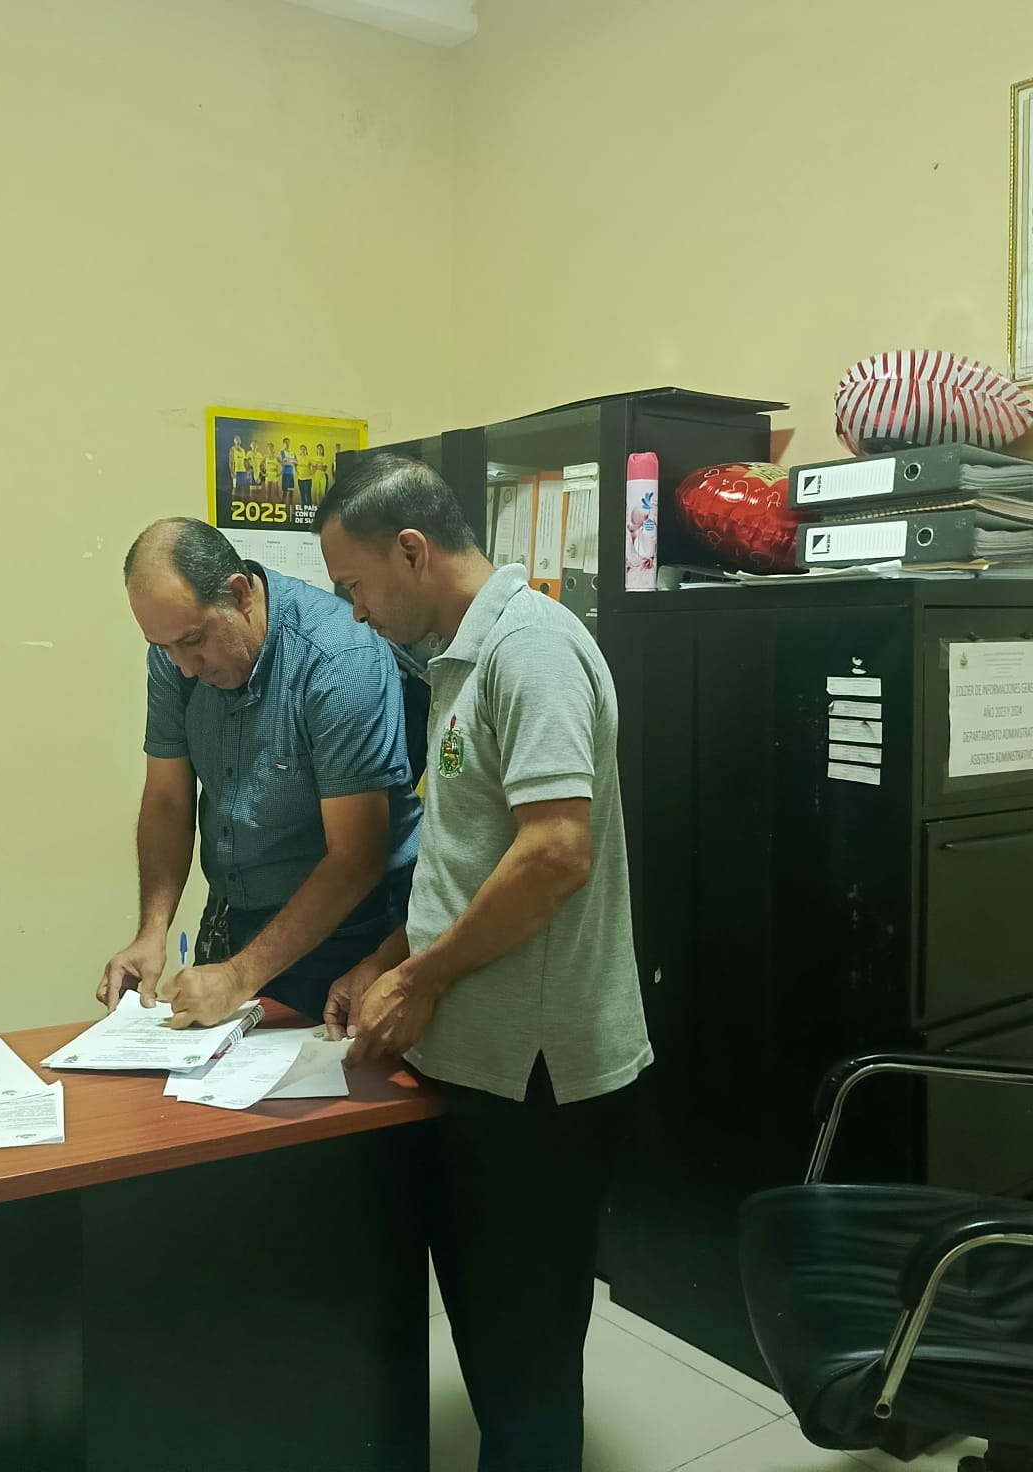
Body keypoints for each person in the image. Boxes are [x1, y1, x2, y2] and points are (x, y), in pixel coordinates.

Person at [314, 453, 652, 1472]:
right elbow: (467, 859)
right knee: (492, 1341)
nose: (355, 612)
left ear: (412, 551)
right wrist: (386, 958)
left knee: (525, 1361)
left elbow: (554, 853)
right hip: (476, 1062)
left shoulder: (529, 649)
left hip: (537, 1079)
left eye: (355, 585)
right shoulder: (457, 663)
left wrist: (418, 979)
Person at [99, 517, 421, 1029]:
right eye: (164, 647)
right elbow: (167, 800)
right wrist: (151, 932)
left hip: (350, 934)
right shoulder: (175, 654)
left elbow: (355, 857)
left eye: (194, 640)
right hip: (235, 920)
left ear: (239, 594)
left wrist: (238, 976)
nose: (184, 666)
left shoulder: (338, 658)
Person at [279, 436, 298, 511]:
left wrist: (289, 461)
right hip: (285, 474)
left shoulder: (292, 452)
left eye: (288, 442)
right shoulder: (282, 452)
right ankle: (282, 509)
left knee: (291, 493)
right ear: (283, 444)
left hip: (291, 475)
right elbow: (283, 463)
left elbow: (296, 462)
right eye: (286, 443)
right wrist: (291, 462)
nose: (287, 444)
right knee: (285, 493)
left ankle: (290, 510)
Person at [229, 434, 249, 502]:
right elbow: (231, 461)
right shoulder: (232, 449)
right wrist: (232, 472)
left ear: (240, 441)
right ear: (234, 441)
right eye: (236, 439)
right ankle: (234, 502)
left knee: (242, 488)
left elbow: (245, 461)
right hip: (236, 471)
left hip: (243, 471)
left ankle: (241, 502)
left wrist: (247, 471)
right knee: (235, 488)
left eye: (239, 439)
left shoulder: (243, 450)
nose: (238, 441)